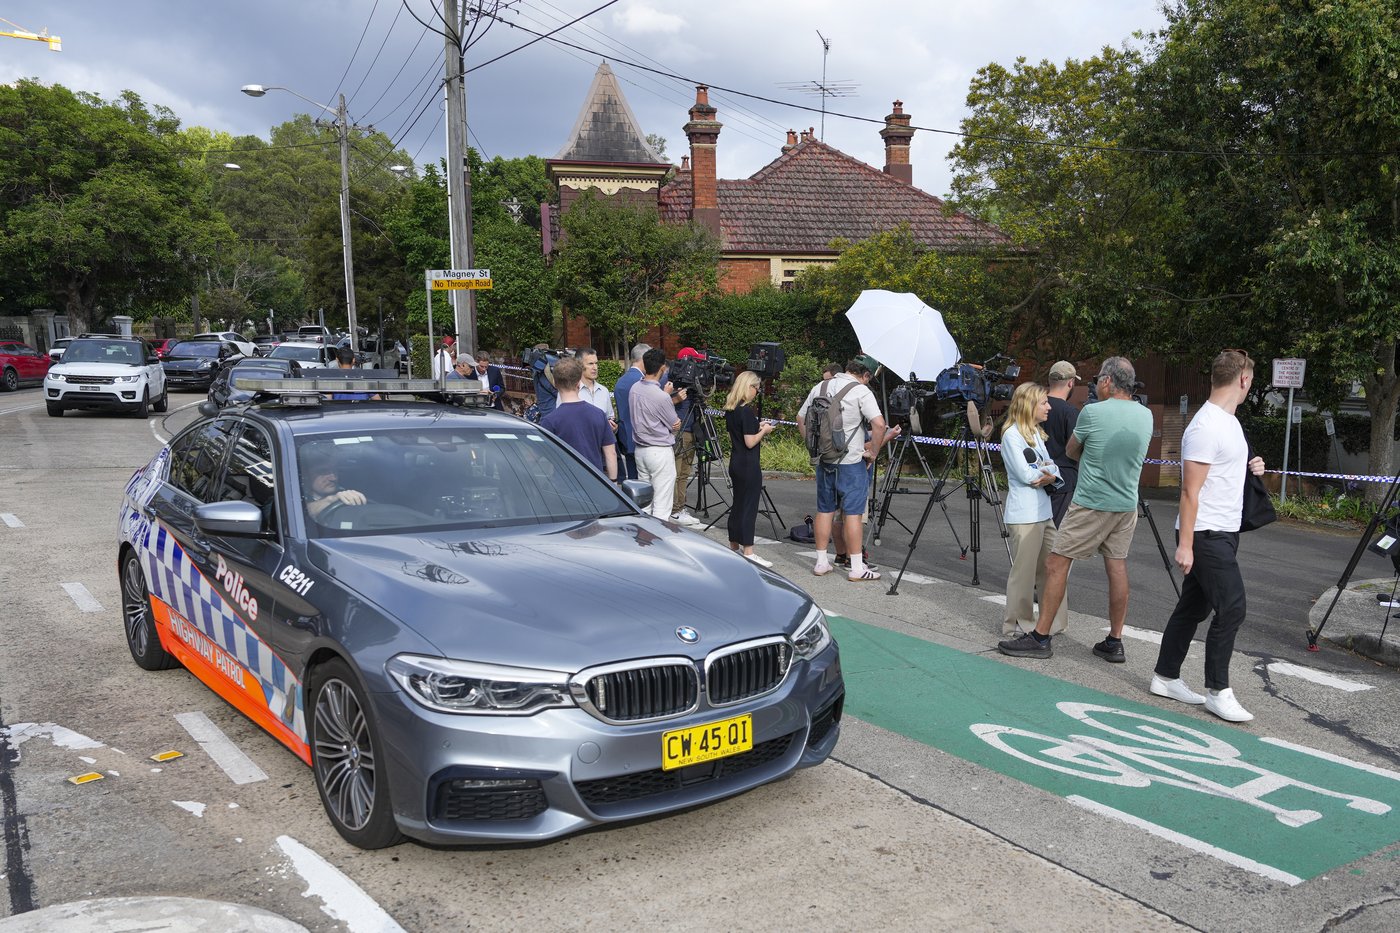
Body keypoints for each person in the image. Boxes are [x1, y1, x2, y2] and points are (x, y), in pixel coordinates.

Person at [998, 356, 1153, 660]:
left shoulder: (1092, 413)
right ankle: (1114, 639)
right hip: (1126, 503)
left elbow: (1071, 451)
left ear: (1107, 381)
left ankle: (1040, 638)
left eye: (1099, 381)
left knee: (1056, 564)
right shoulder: (1146, 415)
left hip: (1092, 501)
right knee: (1117, 567)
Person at [1151, 350, 1265, 722]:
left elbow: (1221, 472)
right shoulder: (1206, 426)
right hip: (1204, 534)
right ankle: (1218, 690)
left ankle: (1165, 676)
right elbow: (1189, 491)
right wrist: (1185, 544)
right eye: (1251, 379)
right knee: (1232, 607)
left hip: (1224, 531)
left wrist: (1252, 466)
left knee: (1194, 607)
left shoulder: (1229, 422)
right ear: (1243, 380)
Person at [805, 355, 887, 581]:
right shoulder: (861, 391)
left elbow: (801, 418)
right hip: (851, 462)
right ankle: (857, 568)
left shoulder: (820, 386)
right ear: (866, 375)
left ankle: (822, 562)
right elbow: (879, 424)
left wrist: (814, 449)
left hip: (824, 460)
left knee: (825, 510)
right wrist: (873, 452)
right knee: (852, 513)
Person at [999, 382, 1068, 637]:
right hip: (1025, 515)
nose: (1049, 407)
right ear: (1029, 405)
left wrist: (1047, 474)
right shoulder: (1011, 436)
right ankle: (1018, 624)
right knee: (1024, 574)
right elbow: (1027, 475)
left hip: (1044, 512)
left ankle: (1053, 623)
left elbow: (1054, 470)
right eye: (1044, 402)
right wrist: (1048, 472)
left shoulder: (1037, 434)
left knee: (1053, 569)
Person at [724, 371, 776, 566]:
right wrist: (764, 430)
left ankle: (734, 546)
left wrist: (757, 425)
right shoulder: (746, 411)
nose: (757, 391)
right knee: (749, 507)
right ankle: (748, 551)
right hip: (748, 464)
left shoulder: (731, 409)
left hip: (736, 461)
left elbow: (738, 434)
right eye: (756, 387)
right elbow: (750, 441)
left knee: (737, 504)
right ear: (748, 387)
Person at [541, 356, 618, 481]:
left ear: (555, 383)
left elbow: (544, 455)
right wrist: (613, 481)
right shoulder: (598, 414)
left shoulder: (549, 421)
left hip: (565, 484)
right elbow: (611, 453)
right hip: (595, 481)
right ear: (578, 383)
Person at [629, 348, 682, 520]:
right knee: (662, 502)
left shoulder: (634, 388)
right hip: (659, 451)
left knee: (645, 501)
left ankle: (644, 539)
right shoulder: (661, 397)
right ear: (662, 368)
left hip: (640, 450)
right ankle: (658, 541)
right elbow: (674, 424)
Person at [669, 347, 703, 527]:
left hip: (691, 431)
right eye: (695, 362)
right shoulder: (673, 384)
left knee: (683, 474)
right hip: (679, 432)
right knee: (675, 474)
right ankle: (674, 510)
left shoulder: (694, 386)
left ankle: (679, 507)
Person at [1045, 360, 1081, 527]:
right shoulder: (1070, 412)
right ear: (1071, 382)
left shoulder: (1034, 407)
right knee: (1054, 532)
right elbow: (1076, 447)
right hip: (1063, 480)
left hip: (1036, 475)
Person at [613, 343, 649, 481]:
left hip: (625, 437)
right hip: (641, 438)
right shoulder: (642, 381)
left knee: (633, 481)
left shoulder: (621, 380)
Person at [301, 451, 367, 520]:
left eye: (335, 470)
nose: (334, 478)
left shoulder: (346, 493)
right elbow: (301, 514)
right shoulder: (297, 498)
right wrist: (330, 500)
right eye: (323, 471)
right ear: (306, 476)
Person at [575, 348, 614, 425]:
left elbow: (610, 417)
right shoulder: (570, 391)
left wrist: (614, 428)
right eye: (590, 364)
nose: (595, 367)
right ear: (579, 365)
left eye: (596, 363)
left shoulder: (604, 391)